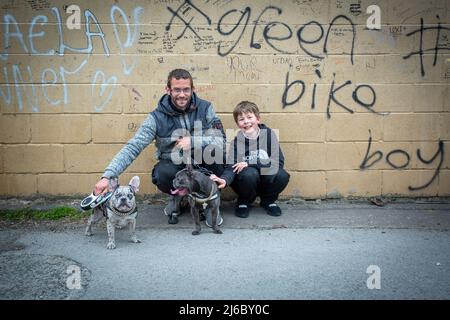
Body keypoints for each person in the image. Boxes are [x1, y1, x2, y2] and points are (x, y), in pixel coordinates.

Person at [94, 69, 226, 225]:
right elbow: (133, 146)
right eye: (177, 90)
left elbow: (221, 139)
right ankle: (178, 196)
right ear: (168, 90)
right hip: (175, 165)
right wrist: (107, 176)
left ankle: (209, 202)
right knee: (161, 173)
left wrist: (194, 141)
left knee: (217, 156)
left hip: (202, 163)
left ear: (192, 89)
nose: (182, 94)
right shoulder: (155, 118)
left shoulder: (206, 108)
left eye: (186, 89)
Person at [210, 101, 290, 218]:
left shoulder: (268, 135)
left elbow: (279, 162)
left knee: (281, 175)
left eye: (249, 117)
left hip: (265, 180)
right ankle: (244, 201)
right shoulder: (237, 142)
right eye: (241, 119)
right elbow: (231, 167)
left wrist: (250, 163)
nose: (246, 121)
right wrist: (224, 180)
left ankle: (268, 201)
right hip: (246, 183)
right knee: (249, 173)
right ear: (238, 124)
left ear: (258, 119)